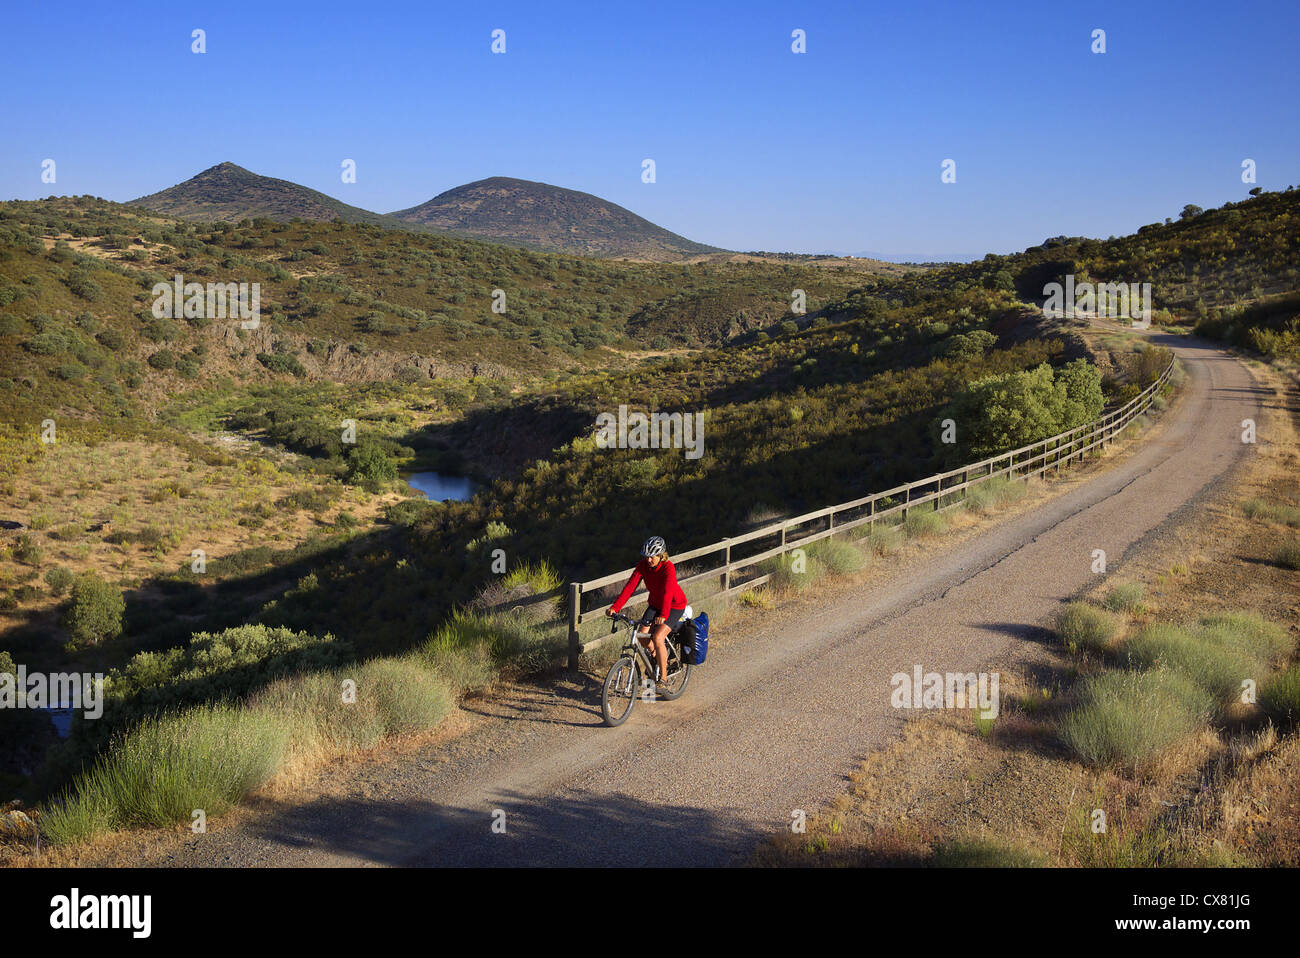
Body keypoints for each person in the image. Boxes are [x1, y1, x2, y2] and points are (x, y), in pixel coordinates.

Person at [606, 535, 687, 689]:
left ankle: (663, 678)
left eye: (652, 557)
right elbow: (630, 587)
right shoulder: (643, 566)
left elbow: (668, 593)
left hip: (674, 605)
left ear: (661, 555)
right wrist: (615, 607)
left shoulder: (668, 567)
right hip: (655, 604)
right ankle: (658, 657)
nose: (648, 560)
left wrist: (663, 615)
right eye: (646, 557)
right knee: (642, 637)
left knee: (657, 637)